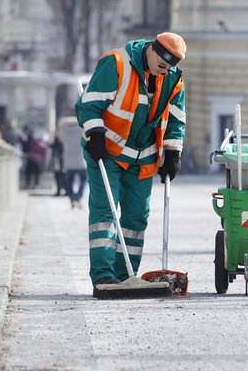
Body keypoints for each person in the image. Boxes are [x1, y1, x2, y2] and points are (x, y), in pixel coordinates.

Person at [75, 32, 186, 295]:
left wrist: (173, 153)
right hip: (107, 151)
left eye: (169, 66)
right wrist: (95, 134)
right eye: (161, 63)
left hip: (143, 157)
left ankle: (126, 276)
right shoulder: (116, 63)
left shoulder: (173, 79)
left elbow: (176, 120)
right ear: (152, 49)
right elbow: (88, 106)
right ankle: (103, 276)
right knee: (106, 213)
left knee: (137, 217)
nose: (164, 69)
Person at [58, 116, 87, 209]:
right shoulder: (80, 130)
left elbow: (61, 123)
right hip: (81, 160)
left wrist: (66, 121)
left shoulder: (64, 131)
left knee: (69, 182)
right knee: (83, 180)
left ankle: (72, 198)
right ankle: (78, 197)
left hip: (69, 161)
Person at [49, 128, 66, 196]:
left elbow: (59, 148)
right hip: (58, 161)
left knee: (61, 176)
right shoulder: (57, 140)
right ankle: (59, 191)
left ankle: (63, 191)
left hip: (60, 160)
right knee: (58, 176)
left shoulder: (61, 140)